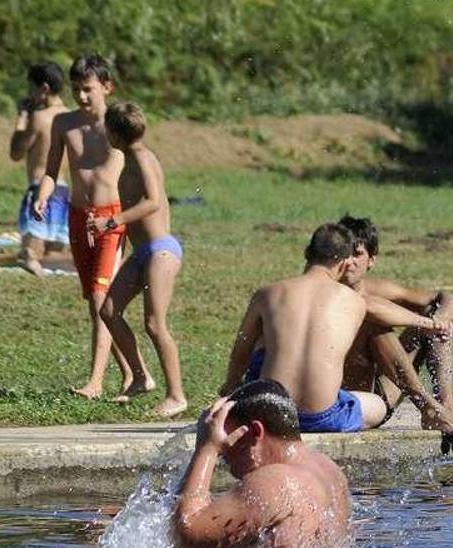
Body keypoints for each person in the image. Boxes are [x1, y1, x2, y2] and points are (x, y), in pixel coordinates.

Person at [219, 224, 395, 432]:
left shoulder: (267, 294)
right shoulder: (353, 301)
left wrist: (230, 387)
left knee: (265, 344)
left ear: (307, 253)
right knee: (378, 405)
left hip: (269, 412)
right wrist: (426, 322)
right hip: (322, 417)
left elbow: (242, 350)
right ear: (344, 263)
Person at [31, 54, 135, 400]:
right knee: (95, 300)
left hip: (110, 218)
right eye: (76, 89)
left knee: (99, 299)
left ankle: (95, 382)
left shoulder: (119, 122)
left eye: (88, 89)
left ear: (106, 87)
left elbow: (139, 169)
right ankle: (134, 374)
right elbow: (51, 171)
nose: (82, 96)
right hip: (78, 216)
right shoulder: (63, 123)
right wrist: (42, 197)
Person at [336, 215, 453, 436]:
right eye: (344, 254)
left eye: (357, 254)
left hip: (380, 395)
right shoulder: (323, 293)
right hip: (343, 401)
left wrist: (441, 318)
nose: (350, 262)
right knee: (373, 323)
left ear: (372, 260)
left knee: (433, 315)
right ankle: (430, 408)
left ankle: (445, 406)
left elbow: (445, 298)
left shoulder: (379, 289)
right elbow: (367, 307)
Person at [176, 380, 351, 547]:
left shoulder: (274, 483)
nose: (225, 457)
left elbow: (186, 535)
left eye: (226, 443)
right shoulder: (330, 470)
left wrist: (207, 448)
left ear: (254, 432)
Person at [97, 102, 187, 417]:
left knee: (154, 323)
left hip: (161, 250)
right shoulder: (130, 159)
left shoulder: (144, 158)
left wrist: (112, 220)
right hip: (143, 252)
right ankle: (139, 375)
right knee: (108, 310)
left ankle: (177, 396)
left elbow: (151, 202)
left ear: (114, 133)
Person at [9, 61, 73, 276]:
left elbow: (16, 152)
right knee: (53, 258)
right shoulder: (72, 118)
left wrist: (22, 118)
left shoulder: (39, 118)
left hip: (40, 190)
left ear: (44, 88)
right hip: (63, 192)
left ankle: (27, 257)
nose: (30, 94)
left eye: (31, 88)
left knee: (31, 252)